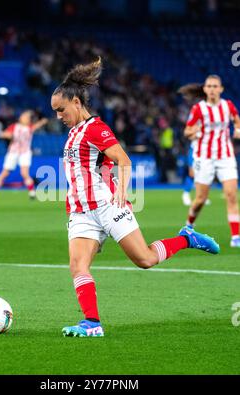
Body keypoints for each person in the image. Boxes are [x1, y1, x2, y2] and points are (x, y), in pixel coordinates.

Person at [51, 58, 220, 338]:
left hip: (108, 206)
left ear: (77, 103)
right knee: (77, 265)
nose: (58, 115)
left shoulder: (95, 128)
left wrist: (121, 189)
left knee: (145, 259)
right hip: (81, 212)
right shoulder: (73, 134)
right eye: (55, 111)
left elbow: (124, 160)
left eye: (61, 109)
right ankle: (92, 323)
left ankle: (187, 238)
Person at [179, 75, 240, 247]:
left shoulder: (228, 106)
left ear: (221, 89)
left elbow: (237, 120)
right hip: (204, 157)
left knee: (231, 194)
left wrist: (238, 129)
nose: (212, 89)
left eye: (215, 86)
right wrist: (194, 132)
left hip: (225, 156)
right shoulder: (199, 109)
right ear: (205, 89)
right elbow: (187, 131)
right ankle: (189, 224)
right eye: (209, 86)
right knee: (200, 199)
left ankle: (236, 237)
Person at [0, 110, 48, 200]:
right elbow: (6, 134)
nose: (23, 117)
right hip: (13, 152)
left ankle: (32, 193)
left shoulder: (29, 128)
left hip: (25, 152)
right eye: (23, 116)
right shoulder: (14, 127)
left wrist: (43, 121)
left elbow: (38, 125)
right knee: (4, 173)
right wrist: (4, 134)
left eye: (26, 116)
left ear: (29, 120)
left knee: (24, 173)